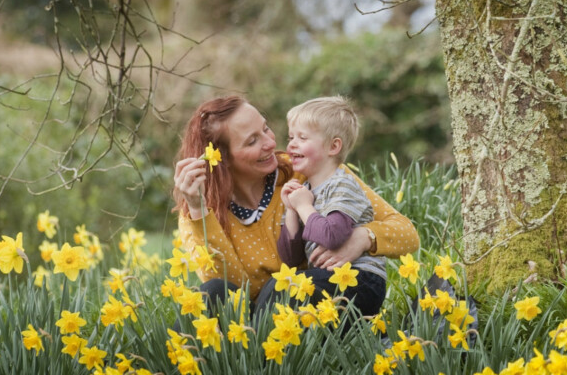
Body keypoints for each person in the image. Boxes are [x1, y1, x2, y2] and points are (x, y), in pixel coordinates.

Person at [172, 95, 418, 319]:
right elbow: (233, 291)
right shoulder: (199, 208)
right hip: (259, 319)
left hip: (313, 307)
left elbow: (407, 233)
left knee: (287, 288)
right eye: (252, 141)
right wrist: (199, 212)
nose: (270, 142)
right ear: (223, 159)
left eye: (266, 128)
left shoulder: (308, 170)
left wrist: (364, 238)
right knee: (210, 293)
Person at [277, 96, 384, 318]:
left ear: (333, 146)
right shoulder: (304, 191)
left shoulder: (343, 185)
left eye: (302, 137)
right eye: (291, 137)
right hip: (327, 278)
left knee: (291, 289)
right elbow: (290, 258)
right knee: (284, 288)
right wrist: (291, 210)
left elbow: (331, 235)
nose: (291, 144)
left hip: (361, 280)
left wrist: (304, 206)